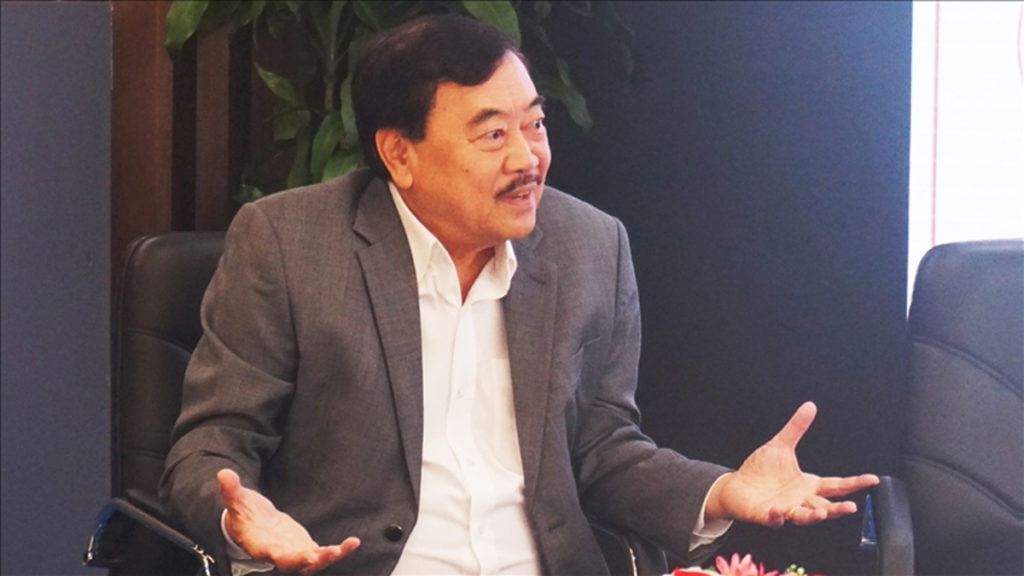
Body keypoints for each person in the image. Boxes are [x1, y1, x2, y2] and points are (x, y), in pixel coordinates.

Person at [160, 14, 879, 576]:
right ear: (399, 154)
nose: (528, 157)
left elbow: (602, 450)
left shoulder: (589, 246)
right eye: (492, 133)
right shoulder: (291, 244)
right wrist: (241, 517)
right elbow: (212, 444)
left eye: (535, 124)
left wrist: (721, 492)